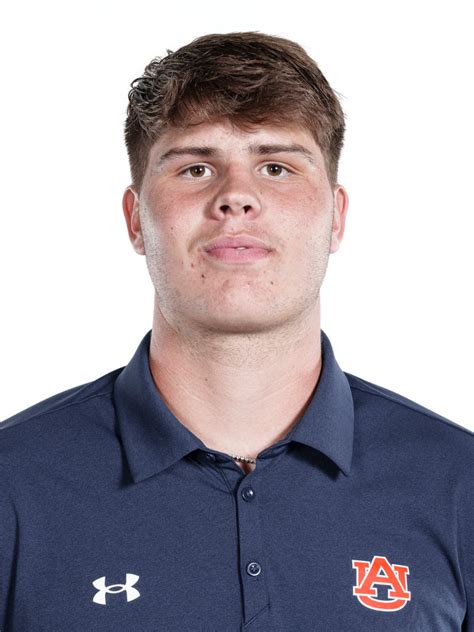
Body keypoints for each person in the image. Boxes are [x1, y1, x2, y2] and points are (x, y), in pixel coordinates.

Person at [0, 31, 472, 632]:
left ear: (336, 216)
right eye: (196, 167)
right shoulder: (11, 486)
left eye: (276, 167)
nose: (236, 197)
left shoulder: (460, 485)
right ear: (136, 219)